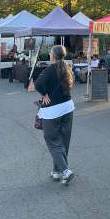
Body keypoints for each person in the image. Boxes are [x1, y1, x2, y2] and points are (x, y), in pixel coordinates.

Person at [34, 45, 75, 185]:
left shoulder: (49, 69)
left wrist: (44, 94)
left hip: (52, 110)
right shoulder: (67, 67)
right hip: (68, 107)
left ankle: (65, 170)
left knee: (52, 140)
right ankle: (57, 171)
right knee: (63, 141)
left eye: (50, 53)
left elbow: (38, 83)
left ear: (53, 55)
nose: (50, 55)